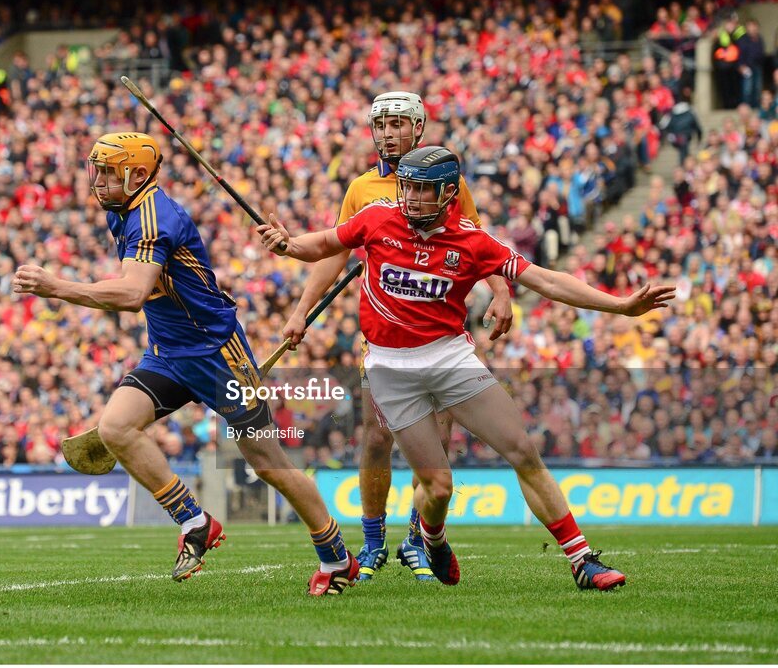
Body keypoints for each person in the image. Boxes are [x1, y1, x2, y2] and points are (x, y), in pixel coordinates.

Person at [257, 146, 676, 590]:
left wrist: (619, 306)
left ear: (448, 194)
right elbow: (320, 244)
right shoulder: (378, 218)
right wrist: (287, 244)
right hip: (390, 370)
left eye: (422, 190)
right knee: (437, 488)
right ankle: (433, 539)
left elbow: (547, 280)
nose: (411, 198)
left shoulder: (472, 240)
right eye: (408, 188)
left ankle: (581, 559)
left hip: (450, 358)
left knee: (521, 449)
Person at [13, 132, 358, 595]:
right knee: (116, 428)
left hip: (218, 355)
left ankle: (336, 556)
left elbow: (133, 294)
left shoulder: (154, 218)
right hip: (168, 354)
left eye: (108, 172)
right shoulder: (123, 213)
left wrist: (58, 286)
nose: (97, 181)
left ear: (137, 174)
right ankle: (195, 522)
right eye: (96, 170)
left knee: (269, 463)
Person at [281, 92, 514, 583]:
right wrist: (302, 311)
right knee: (377, 435)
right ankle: (371, 541)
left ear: (418, 128)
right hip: (386, 335)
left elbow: (478, 239)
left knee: (439, 434)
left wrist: (501, 292)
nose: (387, 132)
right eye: (380, 124)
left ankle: (418, 539)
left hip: (442, 326)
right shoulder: (361, 187)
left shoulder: (446, 176)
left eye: (397, 124)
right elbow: (333, 251)